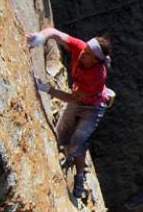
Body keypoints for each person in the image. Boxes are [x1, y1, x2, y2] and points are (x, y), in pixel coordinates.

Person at [26, 27, 112, 198]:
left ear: (96, 61)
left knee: (76, 142)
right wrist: (41, 37)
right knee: (60, 137)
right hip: (79, 99)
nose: (82, 54)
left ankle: (80, 176)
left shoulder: (96, 76)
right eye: (84, 49)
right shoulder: (81, 48)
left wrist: (46, 88)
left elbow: (73, 98)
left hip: (92, 108)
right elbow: (55, 33)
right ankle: (73, 156)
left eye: (87, 54)